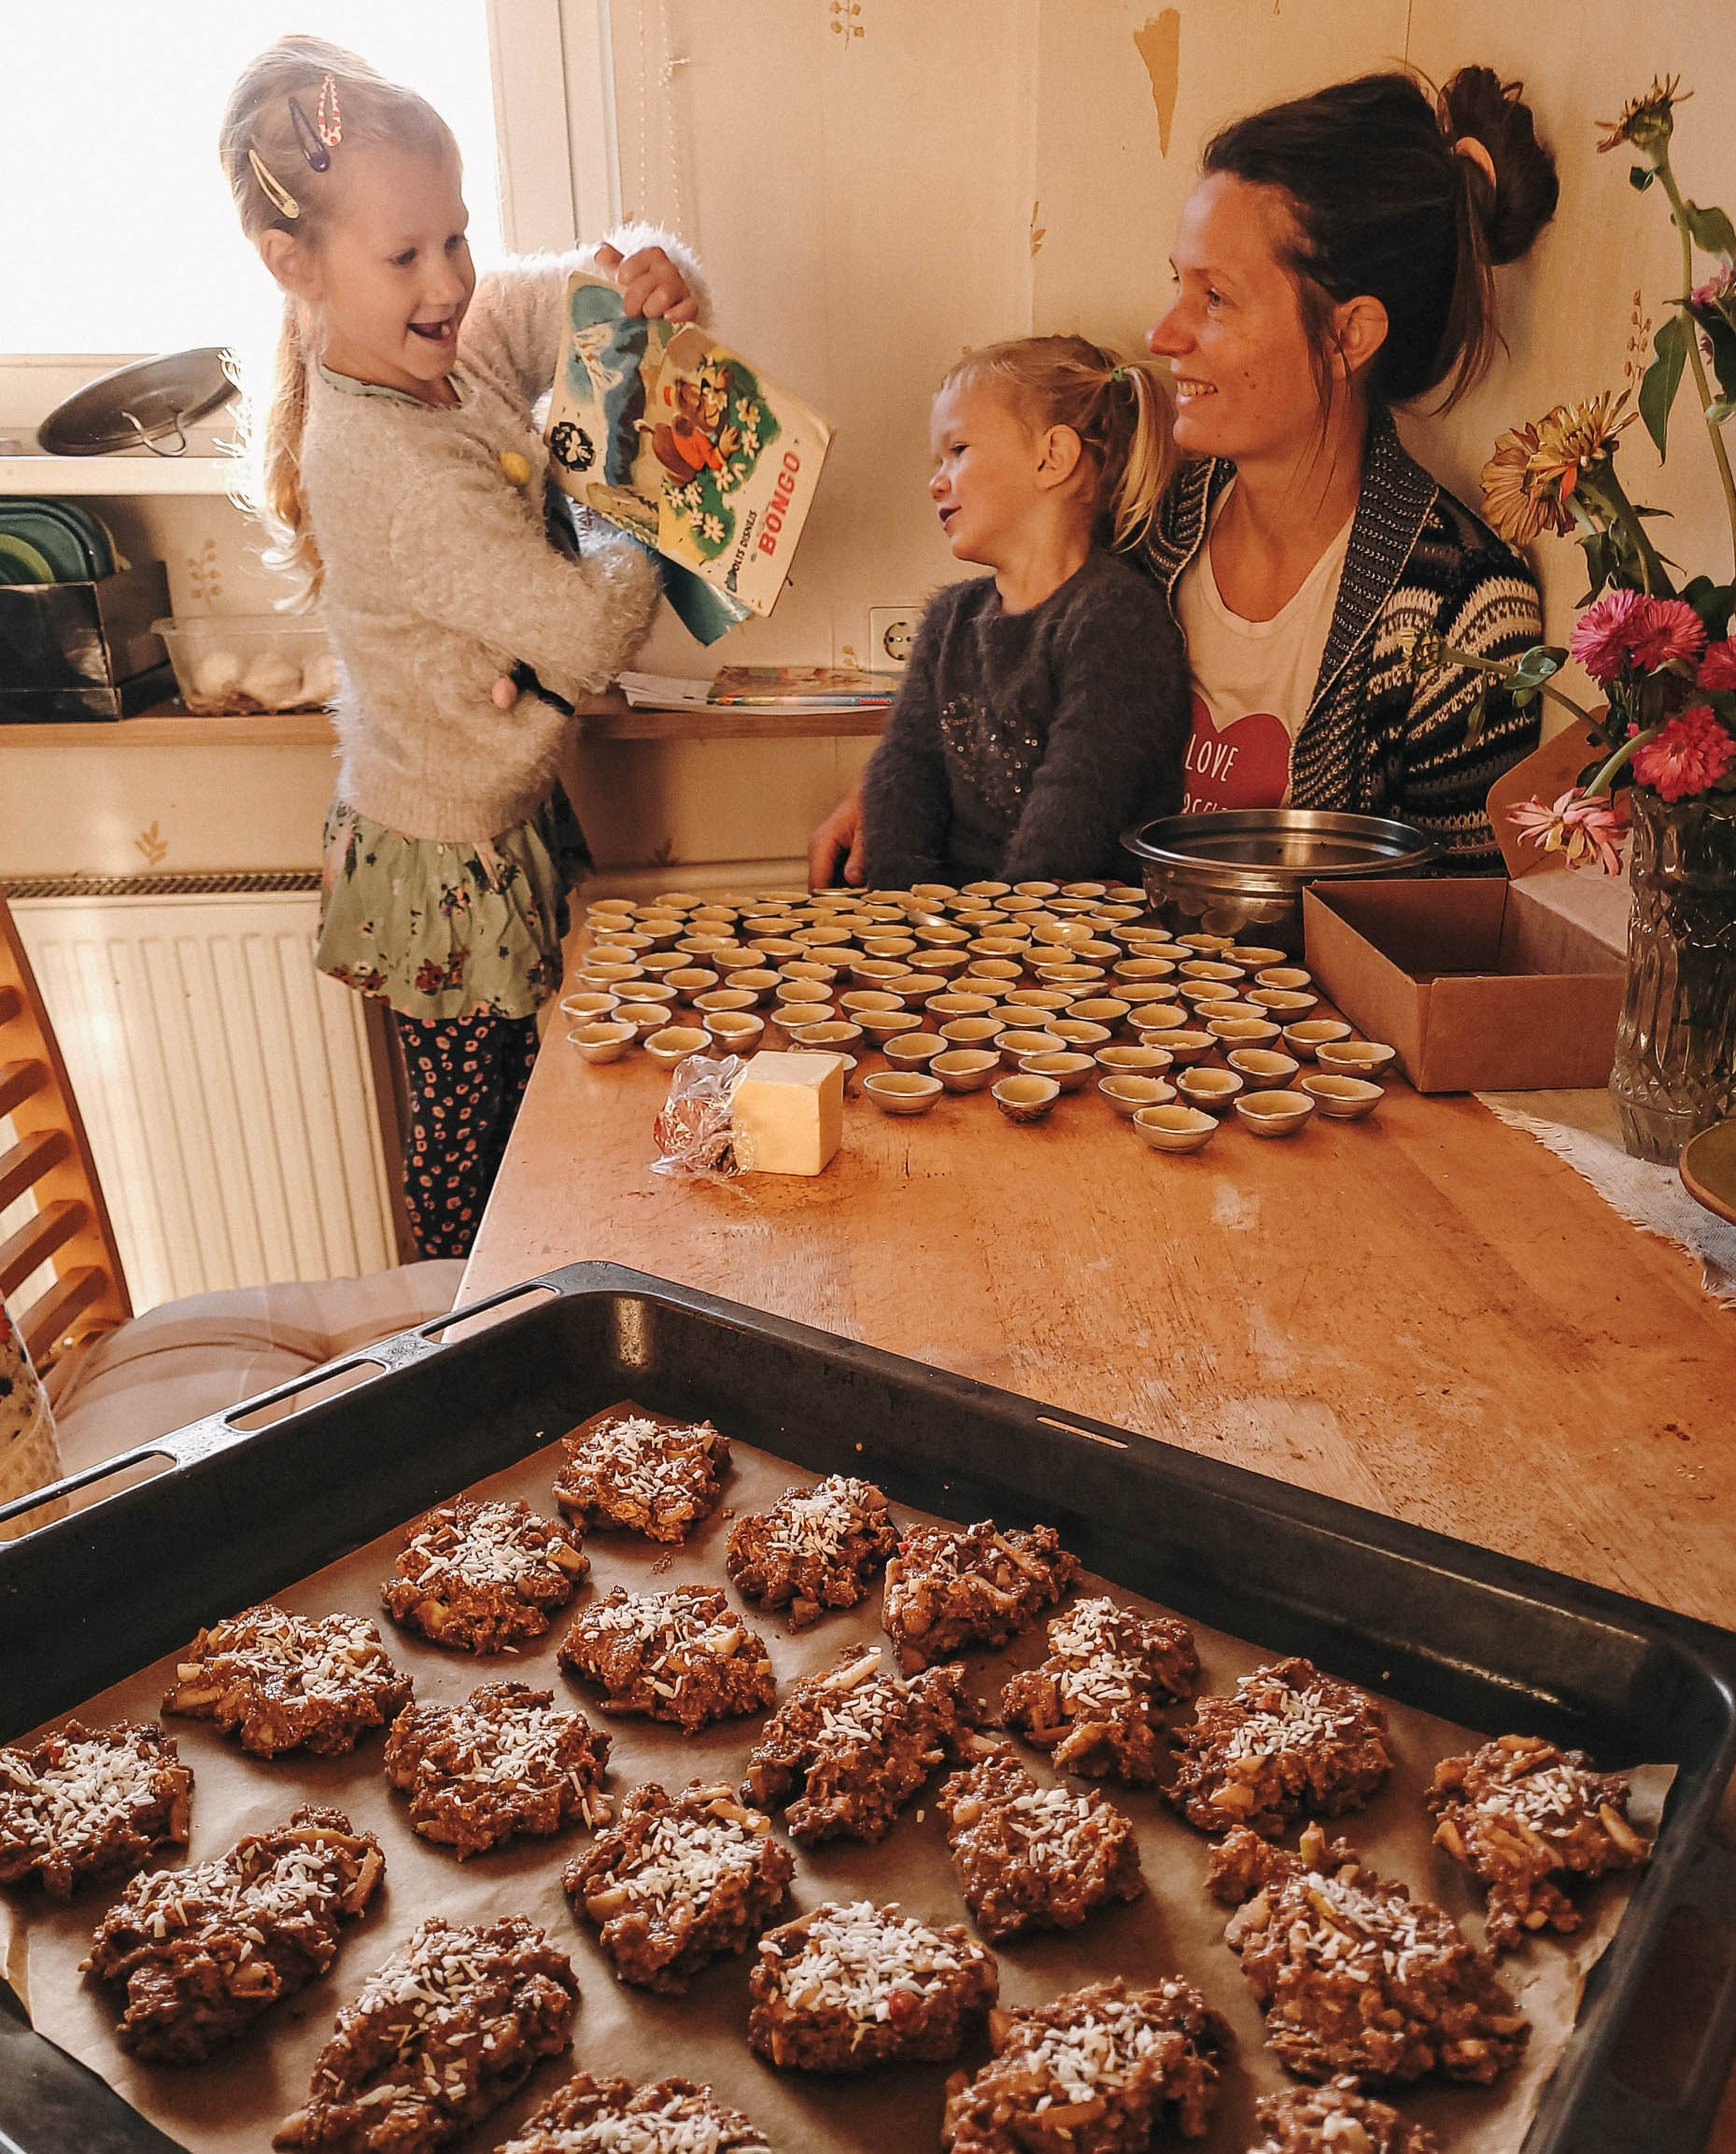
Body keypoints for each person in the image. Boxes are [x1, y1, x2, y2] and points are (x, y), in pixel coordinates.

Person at [811, 66, 1559, 888]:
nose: (1163, 333)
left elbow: (1449, 944)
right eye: (1179, 283)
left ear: (1351, 335)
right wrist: (885, 798)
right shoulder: (1142, 520)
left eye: (1217, 300)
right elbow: (1009, 704)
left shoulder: (1464, 610)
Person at [220, 37, 700, 1259]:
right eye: (405, 254)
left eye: (458, 235)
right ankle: (453, 1362)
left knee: (537, 1128)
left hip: (498, 814)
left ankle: (518, 1317)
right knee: (467, 1172)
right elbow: (589, 634)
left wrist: (654, 274)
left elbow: (585, 300)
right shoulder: (380, 465)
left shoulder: (439, 344)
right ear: (296, 266)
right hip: (440, 862)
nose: (448, 279)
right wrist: (635, 486)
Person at [857, 335, 1191, 888]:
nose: (936, 481)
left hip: (1065, 924)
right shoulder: (948, 621)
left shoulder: (1114, 618)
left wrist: (1005, 925)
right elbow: (906, 769)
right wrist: (896, 907)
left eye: (958, 451)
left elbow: (1079, 799)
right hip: (960, 919)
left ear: (1051, 458)